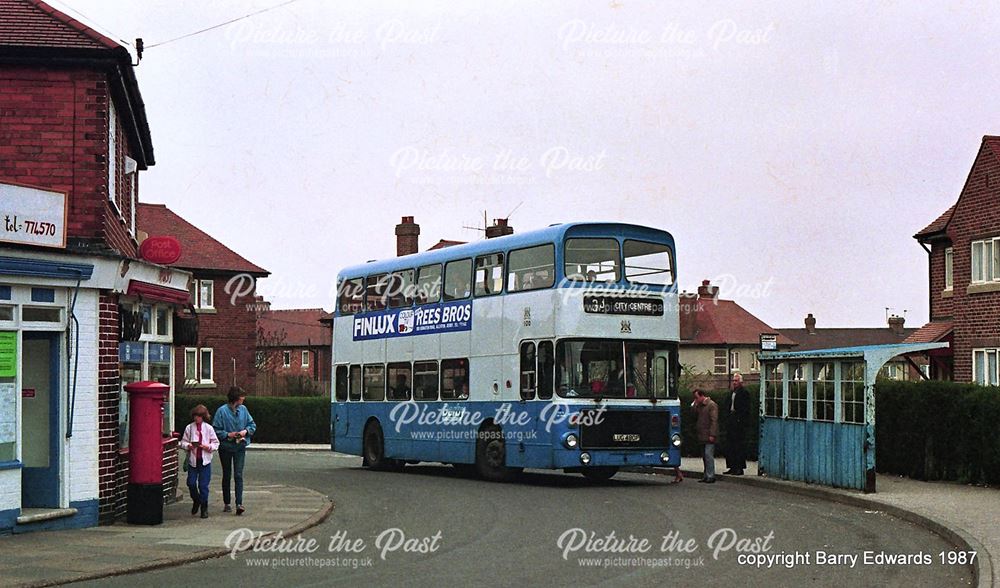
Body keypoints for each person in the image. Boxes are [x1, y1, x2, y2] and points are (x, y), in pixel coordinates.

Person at [214, 387, 256, 516]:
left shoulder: (243, 410)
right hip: (226, 447)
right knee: (227, 474)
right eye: (242, 397)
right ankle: (227, 502)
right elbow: (215, 429)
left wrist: (245, 431)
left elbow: (252, 424)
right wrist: (228, 435)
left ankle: (239, 503)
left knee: (238, 474)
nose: (244, 399)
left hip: (240, 446)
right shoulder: (221, 411)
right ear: (236, 398)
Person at [179, 405, 219, 519]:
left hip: (205, 461)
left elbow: (216, 443)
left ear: (203, 417)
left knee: (203, 485)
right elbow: (183, 442)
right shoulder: (189, 428)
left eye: (199, 416)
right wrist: (188, 446)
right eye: (195, 416)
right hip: (193, 460)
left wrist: (208, 447)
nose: (197, 418)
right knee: (191, 483)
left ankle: (204, 507)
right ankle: (196, 499)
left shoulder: (209, 428)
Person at [725, 373, 751, 476]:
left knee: (739, 446)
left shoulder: (744, 393)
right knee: (730, 445)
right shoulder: (731, 393)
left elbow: (746, 409)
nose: (734, 383)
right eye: (733, 381)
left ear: (741, 382)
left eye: (736, 381)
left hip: (739, 422)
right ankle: (732, 466)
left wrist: (741, 419)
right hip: (731, 420)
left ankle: (739, 467)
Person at [692, 389, 718, 484]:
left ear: (702, 396)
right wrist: (695, 406)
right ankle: (706, 475)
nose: (696, 400)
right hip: (702, 434)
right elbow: (694, 416)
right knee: (704, 456)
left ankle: (711, 475)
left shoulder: (711, 405)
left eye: (696, 397)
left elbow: (714, 420)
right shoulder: (699, 406)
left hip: (708, 434)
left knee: (708, 455)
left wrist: (713, 434)